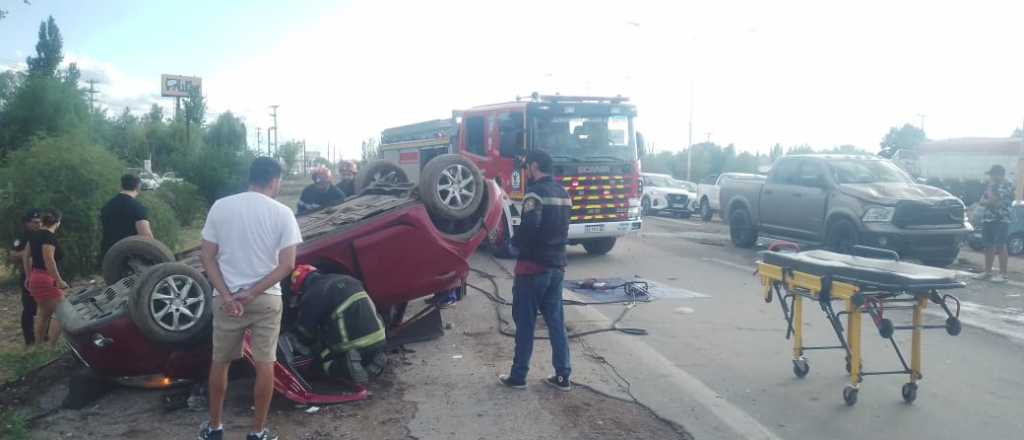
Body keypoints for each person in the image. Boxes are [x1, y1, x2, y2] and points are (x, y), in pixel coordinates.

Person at [198, 158, 302, 440]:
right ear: (274, 181)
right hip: (266, 299)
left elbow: (206, 257)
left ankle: (215, 428)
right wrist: (254, 292)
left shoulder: (221, 207)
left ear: (251, 177)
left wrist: (227, 294)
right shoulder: (283, 213)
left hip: (226, 300)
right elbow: (287, 264)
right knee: (265, 363)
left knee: (220, 362)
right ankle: (257, 432)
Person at [499, 150, 573, 392]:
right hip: (557, 266)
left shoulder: (535, 193)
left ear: (534, 166)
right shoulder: (563, 193)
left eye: (528, 167)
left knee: (525, 323)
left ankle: (518, 376)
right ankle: (563, 376)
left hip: (533, 268)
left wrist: (513, 244)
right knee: (556, 322)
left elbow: (530, 226)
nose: (526, 171)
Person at [24, 209, 68, 347]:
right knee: (63, 312)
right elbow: (48, 259)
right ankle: (52, 347)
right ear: (58, 222)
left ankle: (38, 346)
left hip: (35, 277)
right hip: (46, 278)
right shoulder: (49, 237)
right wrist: (59, 280)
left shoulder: (33, 235)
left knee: (43, 313)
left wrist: (28, 276)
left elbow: (26, 256)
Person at [99, 173, 154, 260]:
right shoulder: (137, 207)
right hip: (129, 257)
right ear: (138, 186)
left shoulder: (108, 205)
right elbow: (146, 236)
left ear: (121, 185)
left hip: (108, 254)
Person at [975, 164, 1015, 283]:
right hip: (988, 218)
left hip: (1001, 219)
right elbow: (982, 200)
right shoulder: (992, 185)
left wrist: (987, 201)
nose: (991, 177)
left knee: (1001, 245)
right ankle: (987, 272)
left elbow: (994, 201)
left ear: (999, 174)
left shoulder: (1007, 185)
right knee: (988, 245)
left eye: (992, 175)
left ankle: (1003, 274)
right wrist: (987, 201)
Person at [9, 209, 42, 346]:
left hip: (44, 275)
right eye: (34, 222)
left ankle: (45, 336)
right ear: (27, 223)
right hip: (28, 275)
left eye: (39, 222)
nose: (38, 225)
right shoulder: (22, 237)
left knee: (45, 306)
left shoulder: (43, 234)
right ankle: (29, 340)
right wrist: (28, 253)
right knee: (29, 308)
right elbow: (12, 256)